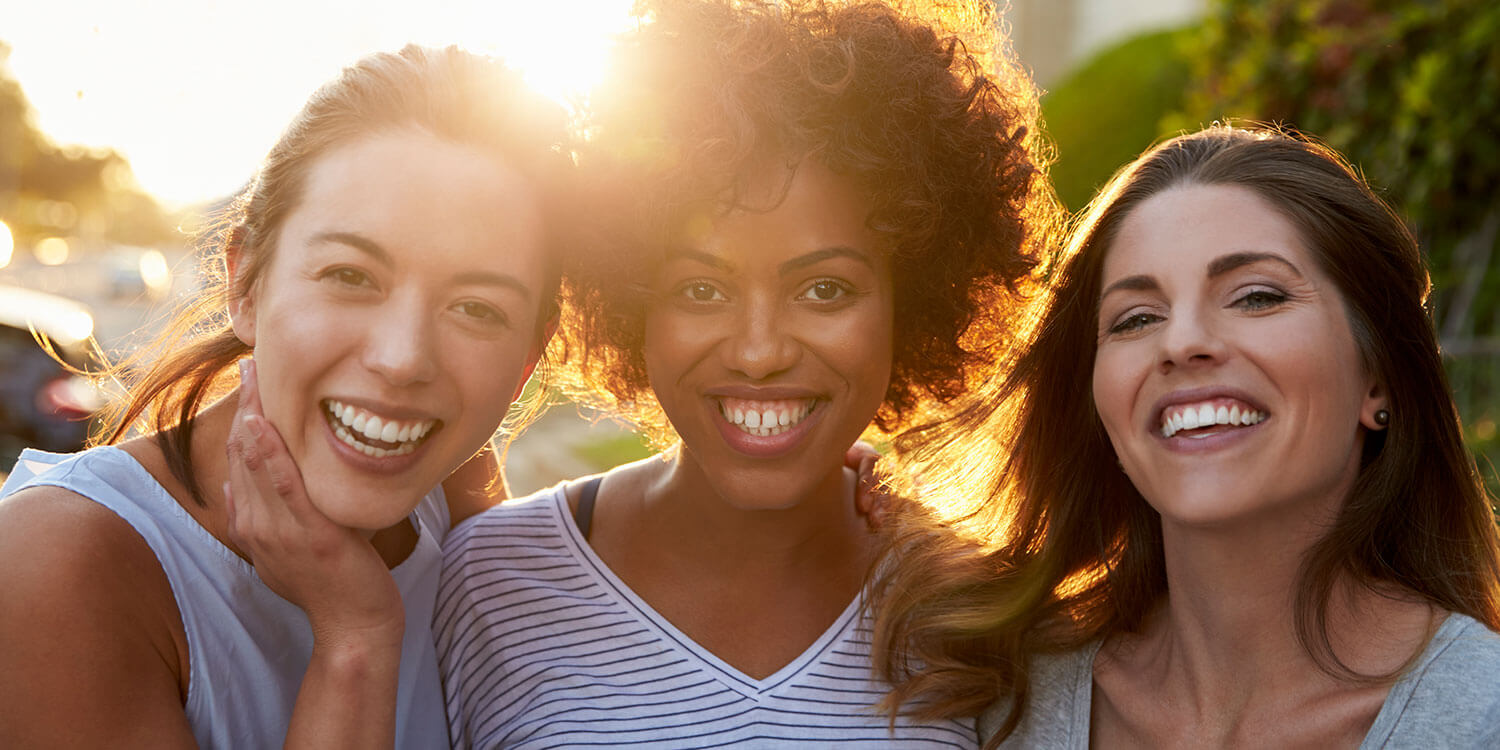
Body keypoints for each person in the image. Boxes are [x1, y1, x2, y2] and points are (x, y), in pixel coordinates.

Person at [432, 0, 1058, 747]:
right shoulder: (489, 580)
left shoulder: (974, 605)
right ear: (633, 306)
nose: (760, 352)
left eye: (824, 289)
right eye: (702, 289)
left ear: (913, 301)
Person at [0, 45, 570, 748]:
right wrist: (354, 640)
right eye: (351, 275)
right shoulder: (59, 564)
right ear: (244, 285)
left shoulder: (452, 488)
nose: (402, 360)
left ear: (526, 363)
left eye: (477, 309)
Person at [868, 125, 1500, 748]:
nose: (1181, 343)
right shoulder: (993, 698)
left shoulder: (1481, 716)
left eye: (1255, 297)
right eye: (1136, 318)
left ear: (1379, 378)